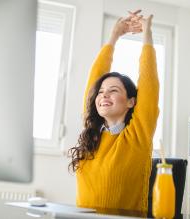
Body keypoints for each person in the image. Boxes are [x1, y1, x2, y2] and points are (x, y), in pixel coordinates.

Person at [68, 10, 159, 216]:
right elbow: (95, 81)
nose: (104, 95)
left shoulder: (137, 136)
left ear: (131, 102)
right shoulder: (92, 133)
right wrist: (114, 37)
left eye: (113, 90)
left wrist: (147, 34)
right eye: (101, 92)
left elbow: (149, 83)